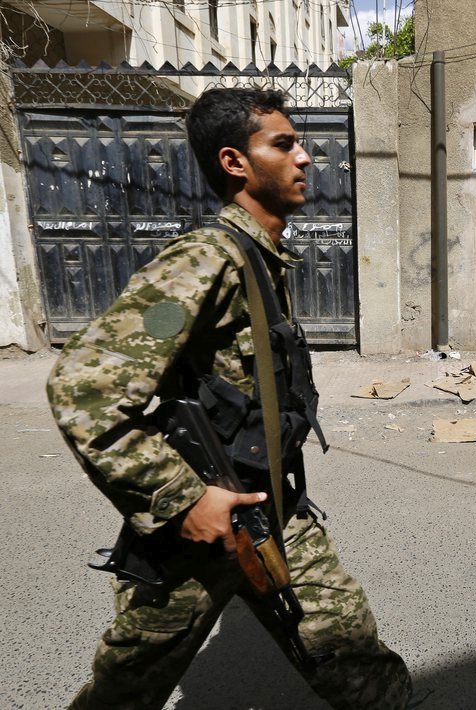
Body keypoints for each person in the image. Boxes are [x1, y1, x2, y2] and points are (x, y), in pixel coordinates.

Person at [47, 88, 412, 709]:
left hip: (272, 506)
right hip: (199, 530)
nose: (305, 157)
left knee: (352, 653)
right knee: (125, 691)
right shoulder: (205, 261)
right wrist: (186, 500)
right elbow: (86, 384)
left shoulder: (263, 257)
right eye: (284, 143)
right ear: (235, 162)